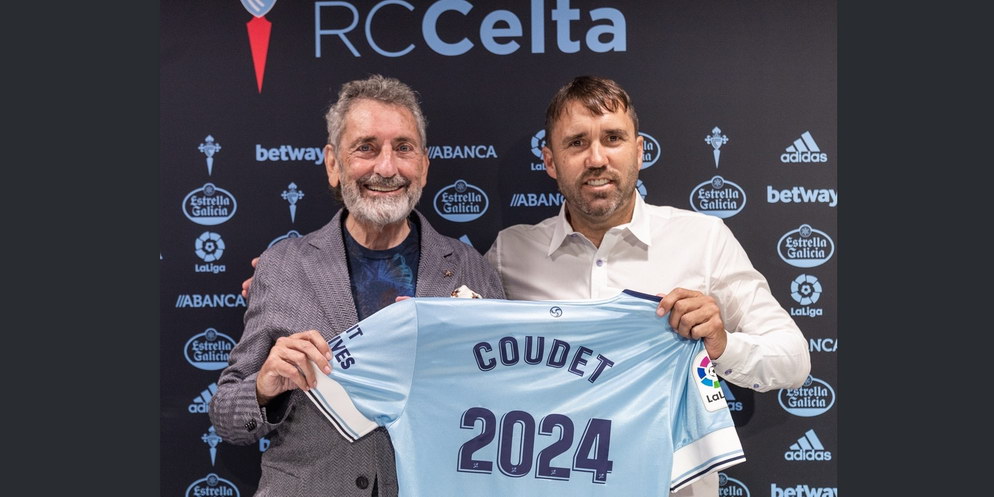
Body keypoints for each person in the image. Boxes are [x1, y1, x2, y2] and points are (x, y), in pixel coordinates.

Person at [483, 75, 811, 496]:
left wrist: (720, 345)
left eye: (613, 138)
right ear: (550, 161)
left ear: (638, 152)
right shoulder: (510, 253)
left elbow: (793, 360)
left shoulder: (703, 239)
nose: (596, 158)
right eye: (577, 143)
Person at [209, 74, 505, 497]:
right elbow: (226, 417)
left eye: (403, 148)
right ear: (333, 164)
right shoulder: (282, 266)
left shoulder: (471, 270)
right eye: (366, 147)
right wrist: (263, 386)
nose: (386, 168)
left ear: (423, 165)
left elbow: (502, 400)